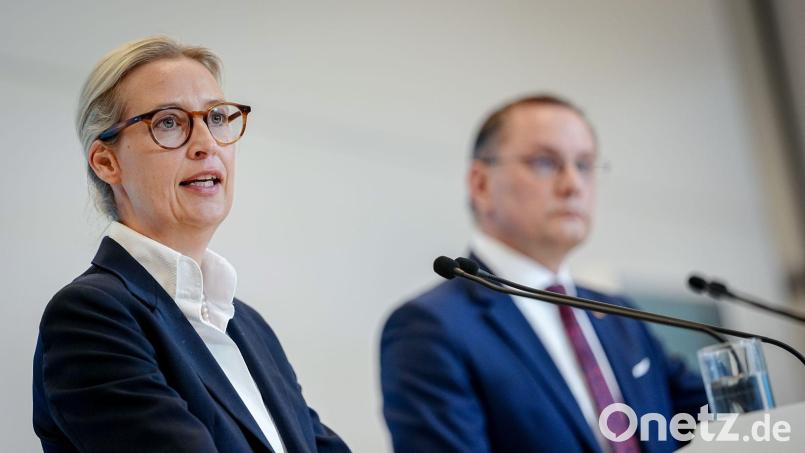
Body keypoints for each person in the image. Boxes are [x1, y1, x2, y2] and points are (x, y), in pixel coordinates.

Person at [32, 36, 350, 453]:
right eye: (168, 122)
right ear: (107, 162)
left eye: (217, 118)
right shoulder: (91, 317)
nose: (207, 143)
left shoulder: (248, 326)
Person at [380, 95, 706, 453]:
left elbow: (717, 421)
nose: (573, 185)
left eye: (584, 165)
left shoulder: (620, 316)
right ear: (480, 184)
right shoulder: (430, 328)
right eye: (545, 163)